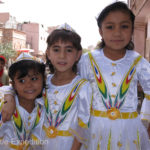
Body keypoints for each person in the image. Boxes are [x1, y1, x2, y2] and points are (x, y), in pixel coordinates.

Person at [0, 23, 92, 150]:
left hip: (69, 145)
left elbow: (83, 124)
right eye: (56, 49)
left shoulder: (83, 86)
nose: (62, 56)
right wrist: (8, 98)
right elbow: (16, 87)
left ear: (78, 55)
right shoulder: (43, 83)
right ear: (48, 53)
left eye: (69, 50)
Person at [78, 1, 150, 150]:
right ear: (100, 31)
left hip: (129, 130)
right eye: (110, 27)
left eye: (124, 26)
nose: (117, 33)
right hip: (95, 130)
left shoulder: (138, 61)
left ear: (131, 30)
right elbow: (77, 92)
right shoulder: (87, 60)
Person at [0, 52, 46, 150]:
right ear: (14, 84)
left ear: (44, 79)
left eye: (34, 78)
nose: (28, 85)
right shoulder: (3, 106)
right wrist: (8, 96)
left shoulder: (46, 107)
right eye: (22, 81)